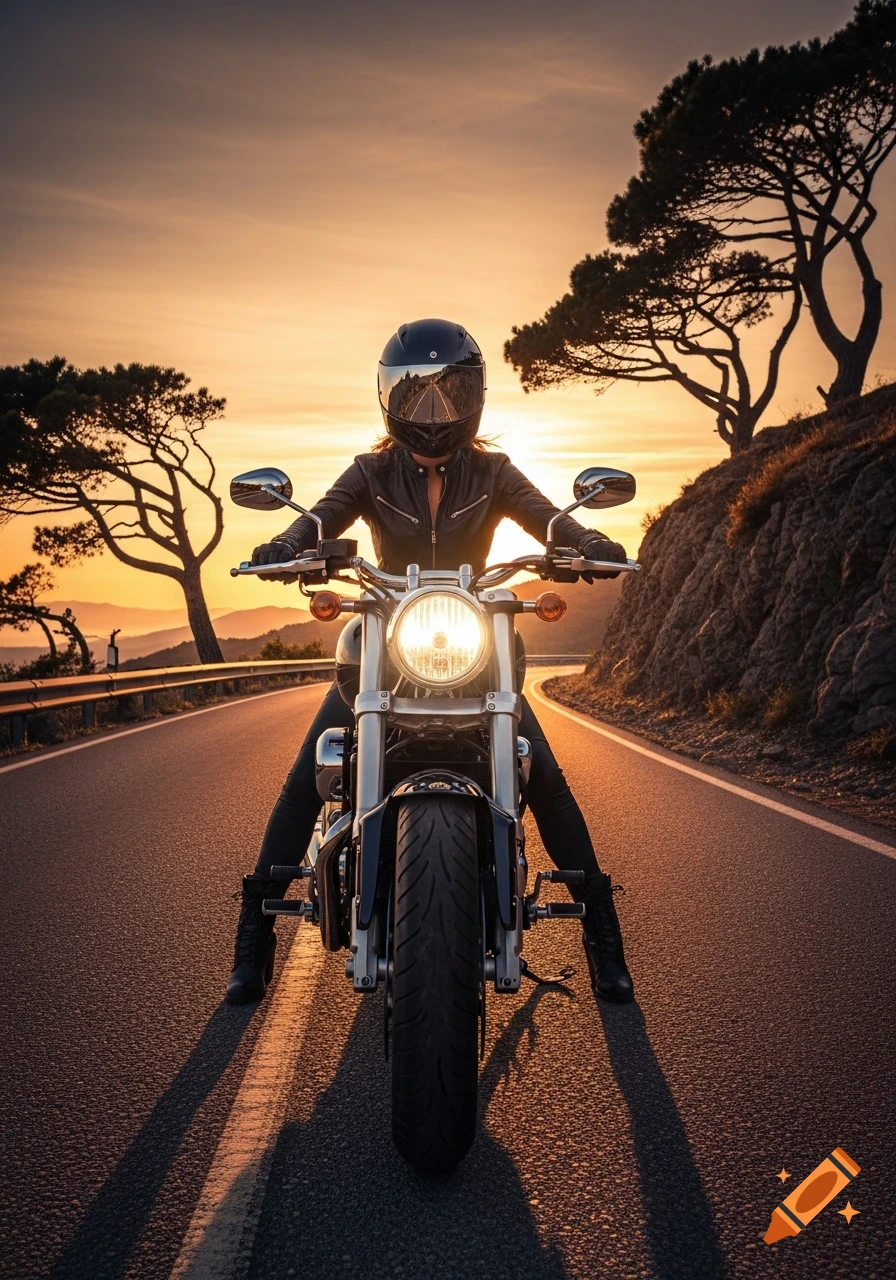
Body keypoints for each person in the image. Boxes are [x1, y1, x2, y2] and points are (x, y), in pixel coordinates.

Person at [227, 319, 634, 1007]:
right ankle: (254, 936)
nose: (434, 413)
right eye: (417, 398)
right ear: (390, 401)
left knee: (547, 780)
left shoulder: (496, 471)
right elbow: (321, 519)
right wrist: (286, 542)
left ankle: (602, 935)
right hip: (389, 638)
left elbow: (547, 519)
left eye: (449, 396)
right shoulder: (369, 471)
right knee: (309, 776)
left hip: (473, 640)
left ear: (473, 396)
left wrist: (584, 537)